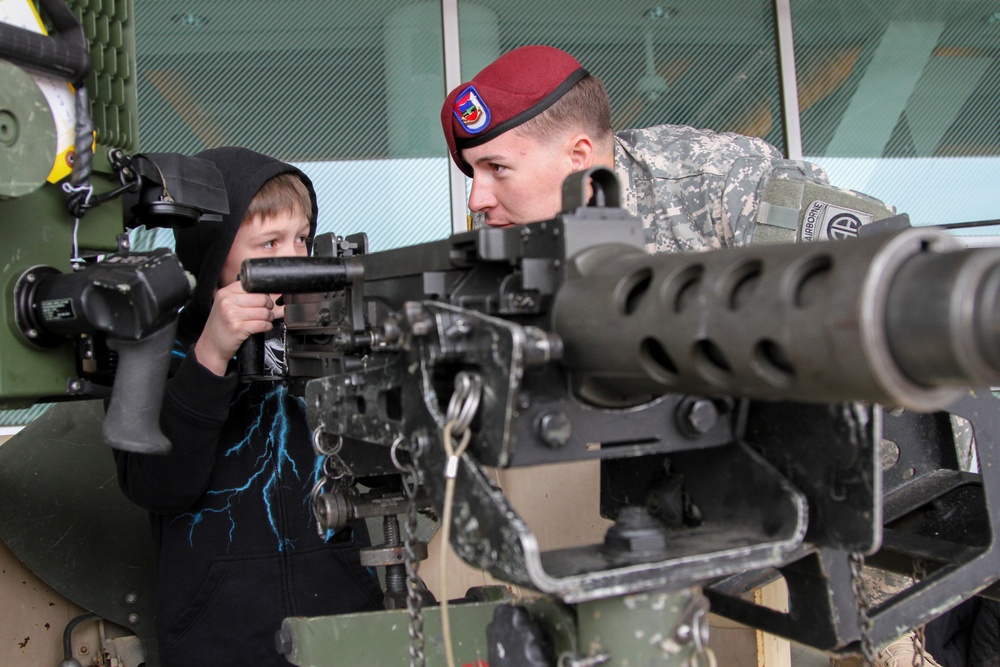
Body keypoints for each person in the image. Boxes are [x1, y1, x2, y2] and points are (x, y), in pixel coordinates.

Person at [114, 147, 383, 667]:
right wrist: (211, 355)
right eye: (270, 242)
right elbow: (156, 487)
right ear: (216, 252)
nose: (294, 257)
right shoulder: (152, 343)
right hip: (220, 637)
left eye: (301, 238)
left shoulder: (333, 333)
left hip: (346, 620)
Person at [441, 44, 894, 251]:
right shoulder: (519, 247)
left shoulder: (719, 182)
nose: (477, 199)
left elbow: (898, 283)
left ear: (577, 159)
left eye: (496, 168)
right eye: (472, 172)